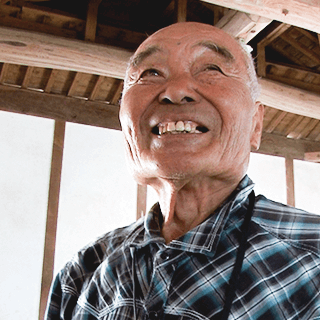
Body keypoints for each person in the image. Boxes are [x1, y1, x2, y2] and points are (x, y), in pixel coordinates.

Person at [45, 22, 320, 320]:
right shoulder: (82, 273)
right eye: (150, 73)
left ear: (256, 123)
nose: (175, 91)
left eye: (211, 68)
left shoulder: (313, 256)